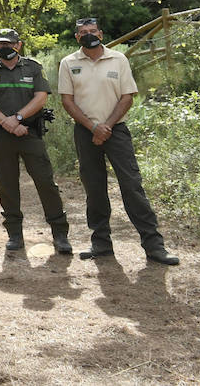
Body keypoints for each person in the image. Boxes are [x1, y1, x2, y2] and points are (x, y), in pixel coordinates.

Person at [59, 18, 179, 265]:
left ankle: (154, 246)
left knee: (132, 186)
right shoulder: (69, 63)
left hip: (117, 131)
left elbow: (127, 97)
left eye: (93, 31)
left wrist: (107, 126)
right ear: (77, 37)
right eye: (83, 33)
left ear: (101, 33)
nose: (89, 35)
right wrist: (93, 127)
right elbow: (67, 101)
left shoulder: (119, 59)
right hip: (85, 132)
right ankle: (101, 244)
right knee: (94, 188)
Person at [0, 28, 71, 254]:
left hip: (30, 134)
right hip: (2, 136)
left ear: (18, 45)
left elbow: (41, 97)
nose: (3, 48)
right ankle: (15, 234)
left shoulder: (33, 67)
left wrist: (18, 119)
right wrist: (7, 123)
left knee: (45, 182)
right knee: (7, 185)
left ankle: (59, 233)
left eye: (8, 44)